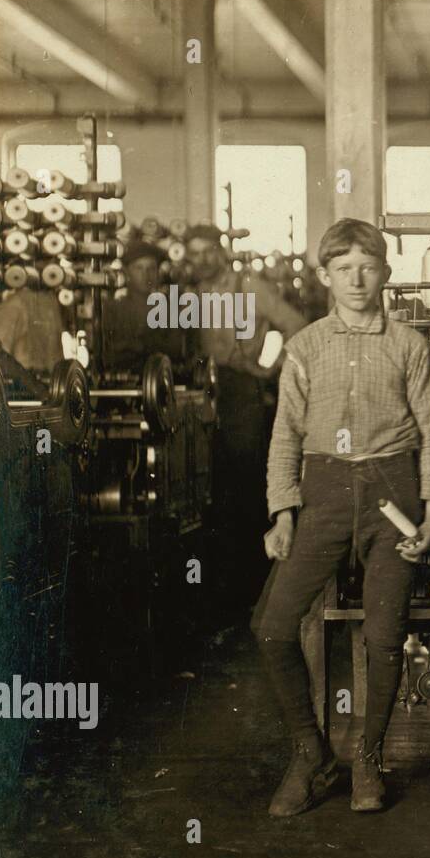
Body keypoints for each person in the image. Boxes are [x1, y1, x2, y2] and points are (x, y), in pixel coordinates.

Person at [252, 218, 430, 816]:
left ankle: (368, 759)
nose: (357, 280)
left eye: (368, 267)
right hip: (326, 489)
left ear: (385, 272)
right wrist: (283, 512)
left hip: (395, 492)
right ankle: (311, 756)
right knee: (273, 626)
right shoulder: (305, 346)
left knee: (385, 634)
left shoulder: (410, 345)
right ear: (325, 276)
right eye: (344, 269)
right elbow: (285, 434)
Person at [185, 224, 308, 609]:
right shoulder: (195, 294)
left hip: (244, 392)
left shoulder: (250, 286)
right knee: (215, 490)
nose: (201, 259)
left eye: (208, 251)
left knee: (248, 486)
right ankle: (227, 593)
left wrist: (270, 369)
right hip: (210, 391)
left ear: (222, 251)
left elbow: (297, 328)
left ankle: (257, 590)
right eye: (194, 253)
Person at [102, 241, 186, 371]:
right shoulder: (112, 309)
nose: (145, 275)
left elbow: (175, 352)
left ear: (158, 273)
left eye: (151, 268)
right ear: (127, 272)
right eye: (138, 268)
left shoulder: (170, 310)